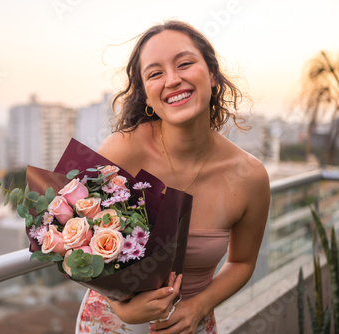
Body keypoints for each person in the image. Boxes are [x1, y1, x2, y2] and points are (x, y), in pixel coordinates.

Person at [75, 20, 270, 334]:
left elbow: (243, 263)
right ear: (147, 96)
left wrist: (198, 308)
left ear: (214, 76)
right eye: (155, 73)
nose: (173, 80)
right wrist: (121, 305)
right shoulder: (121, 152)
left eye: (185, 64)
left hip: (191, 325)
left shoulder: (249, 176)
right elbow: (75, 243)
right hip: (111, 323)